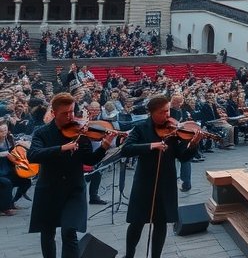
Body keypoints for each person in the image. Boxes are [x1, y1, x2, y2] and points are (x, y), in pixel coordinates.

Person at [28, 93, 116, 258]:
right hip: (49, 189)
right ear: (54, 113)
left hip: (74, 189)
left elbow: (90, 159)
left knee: (69, 230)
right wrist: (62, 148)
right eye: (65, 113)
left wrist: (104, 145)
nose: (70, 117)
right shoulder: (42, 132)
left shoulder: (80, 133)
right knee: (47, 233)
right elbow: (33, 155)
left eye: (72, 112)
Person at [121, 95, 203, 258]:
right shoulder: (141, 128)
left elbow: (182, 156)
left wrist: (193, 145)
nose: (167, 115)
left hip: (166, 182)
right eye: (163, 112)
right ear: (152, 113)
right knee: (137, 222)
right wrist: (152, 145)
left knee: (161, 222)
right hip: (144, 182)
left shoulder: (173, 131)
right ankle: (129, 254)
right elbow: (127, 149)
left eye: (168, 110)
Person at [0, 122, 33, 215]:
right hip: (0, 173)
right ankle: (5, 208)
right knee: (7, 183)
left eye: (5, 130)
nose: (3, 133)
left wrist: (22, 143)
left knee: (26, 181)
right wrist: (2, 154)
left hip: (8, 169)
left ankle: (13, 202)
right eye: (1, 131)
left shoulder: (9, 139)